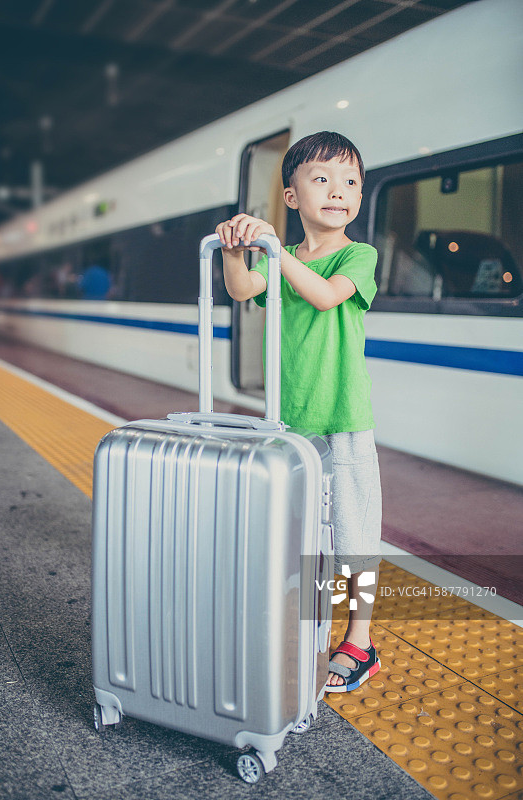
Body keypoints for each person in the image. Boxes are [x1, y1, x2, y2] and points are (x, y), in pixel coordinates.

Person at [216, 130, 382, 693]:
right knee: (303, 531)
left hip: (343, 418)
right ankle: (310, 626)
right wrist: (238, 245)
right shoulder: (282, 260)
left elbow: (325, 295)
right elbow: (242, 290)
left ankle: (360, 640)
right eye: (322, 178)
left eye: (351, 181)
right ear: (291, 198)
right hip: (291, 422)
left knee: (350, 535)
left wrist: (276, 250)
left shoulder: (360, 255)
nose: (340, 191)